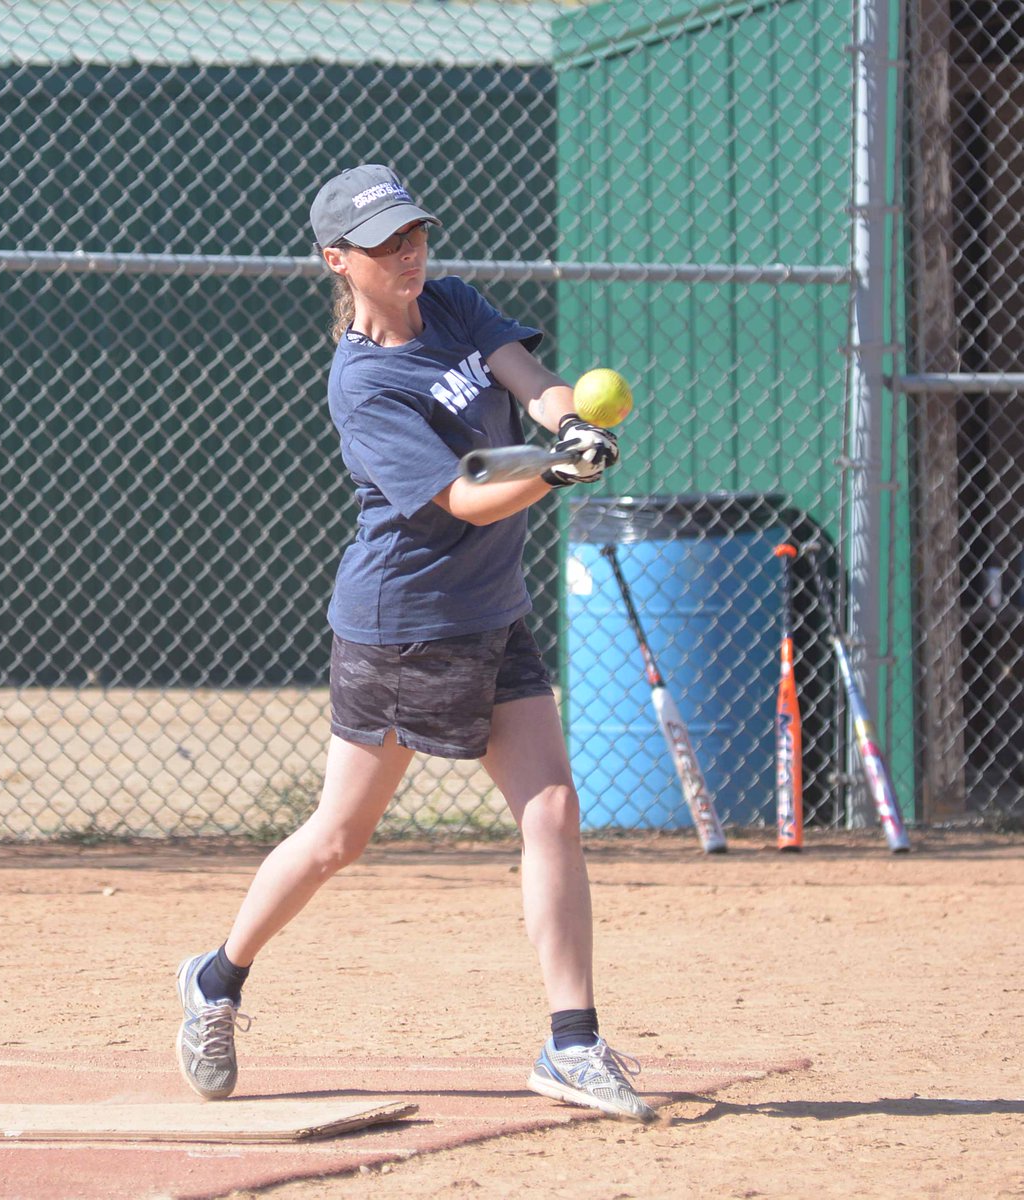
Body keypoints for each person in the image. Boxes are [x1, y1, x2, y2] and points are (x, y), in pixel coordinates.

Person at [175, 163, 655, 1123]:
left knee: (552, 811)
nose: (409, 253)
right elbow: (465, 499)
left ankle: (572, 1043)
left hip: (492, 611)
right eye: (386, 242)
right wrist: (557, 475)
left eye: (414, 233)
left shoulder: (452, 303)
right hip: (404, 629)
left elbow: (529, 379)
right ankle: (217, 980)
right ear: (337, 261)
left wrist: (568, 422)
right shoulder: (363, 385)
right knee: (338, 840)